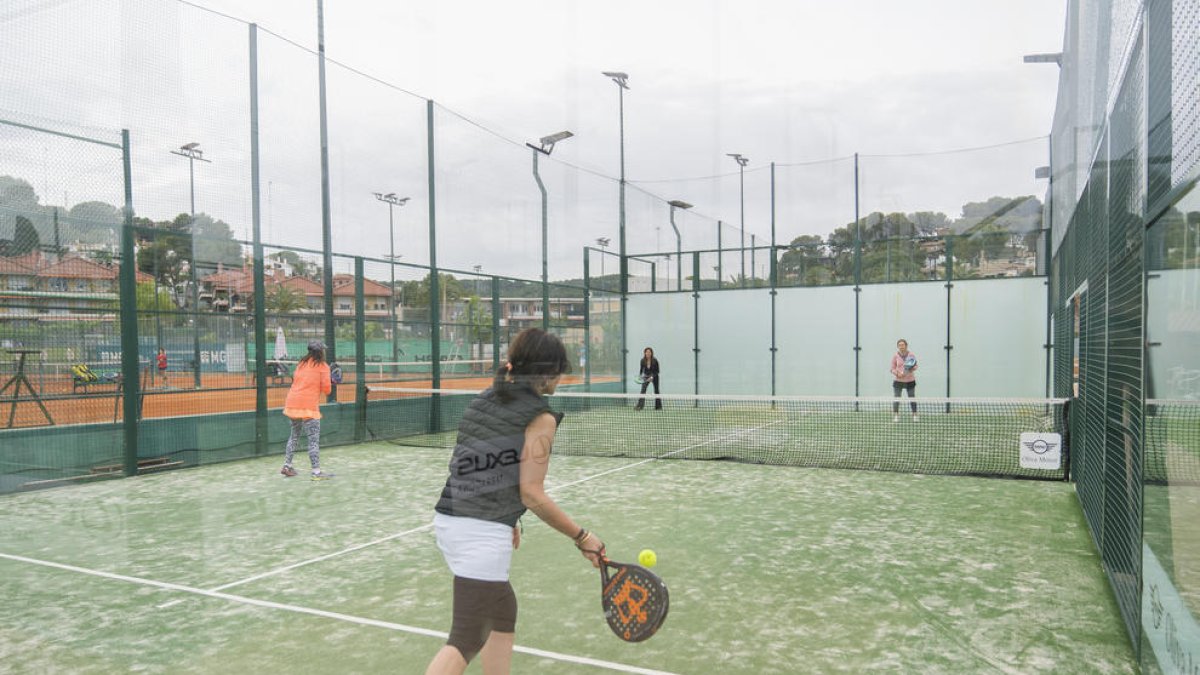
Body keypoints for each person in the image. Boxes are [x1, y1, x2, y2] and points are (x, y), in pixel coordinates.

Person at [425, 328, 604, 675]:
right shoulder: (541, 417)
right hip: (479, 533)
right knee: (466, 637)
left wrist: (510, 518)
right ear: (547, 372)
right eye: (559, 372)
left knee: (502, 612)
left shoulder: (485, 399)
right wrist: (583, 537)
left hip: (451, 521)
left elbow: (475, 463)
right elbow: (532, 492)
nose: (560, 379)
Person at [280, 340, 334, 480]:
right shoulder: (323, 366)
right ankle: (316, 472)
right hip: (308, 407)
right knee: (313, 441)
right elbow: (327, 390)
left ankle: (287, 466)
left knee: (294, 436)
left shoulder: (301, 364)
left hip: (292, 403)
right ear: (320, 352)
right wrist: (332, 380)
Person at [889, 338, 918, 422]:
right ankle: (896, 415)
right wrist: (897, 374)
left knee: (912, 398)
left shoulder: (911, 355)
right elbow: (892, 368)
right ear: (898, 347)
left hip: (910, 381)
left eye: (903, 345)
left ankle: (915, 415)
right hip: (898, 381)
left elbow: (915, 366)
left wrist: (910, 369)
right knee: (897, 398)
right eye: (899, 345)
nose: (901, 346)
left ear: (906, 345)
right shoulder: (895, 356)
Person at [635, 346, 661, 411]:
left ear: (651, 353)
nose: (648, 353)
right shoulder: (642, 361)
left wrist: (652, 377)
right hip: (646, 376)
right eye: (647, 352)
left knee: (656, 391)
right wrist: (640, 376)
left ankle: (658, 407)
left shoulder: (655, 360)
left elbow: (657, 371)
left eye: (649, 352)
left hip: (654, 376)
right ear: (645, 353)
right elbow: (641, 370)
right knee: (643, 390)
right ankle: (639, 406)